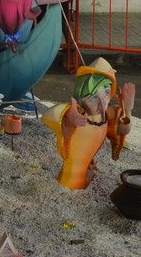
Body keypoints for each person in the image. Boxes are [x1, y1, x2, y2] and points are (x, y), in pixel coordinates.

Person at [42, 58, 133, 190]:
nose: (101, 102)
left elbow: (123, 129)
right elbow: (47, 115)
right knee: (72, 181)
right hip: (70, 176)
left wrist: (128, 109)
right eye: (93, 97)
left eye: (106, 93)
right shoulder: (77, 113)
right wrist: (69, 117)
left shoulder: (106, 114)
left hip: (88, 164)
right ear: (81, 94)